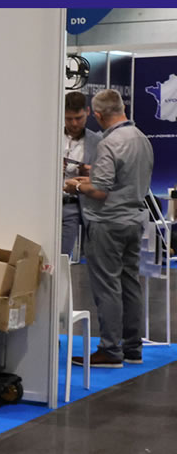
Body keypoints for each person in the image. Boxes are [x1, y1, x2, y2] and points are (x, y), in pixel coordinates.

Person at [65, 89, 153, 367]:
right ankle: (132, 348)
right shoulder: (141, 138)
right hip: (134, 221)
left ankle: (110, 351)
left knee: (107, 288)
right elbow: (127, 178)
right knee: (130, 285)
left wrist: (76, 185)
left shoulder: (108, 142)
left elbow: (100, 191)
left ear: (98, 115)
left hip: (108, 224)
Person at [61, 91, 102, 259]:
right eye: (69, 119)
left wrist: (92, 173)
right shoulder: (49, 137)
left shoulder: (97, 142)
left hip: (74, 206)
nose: (74, 123)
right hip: (45, 204)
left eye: (78, 118)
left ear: (88, 112)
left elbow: (106, 178)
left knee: (62, 257)